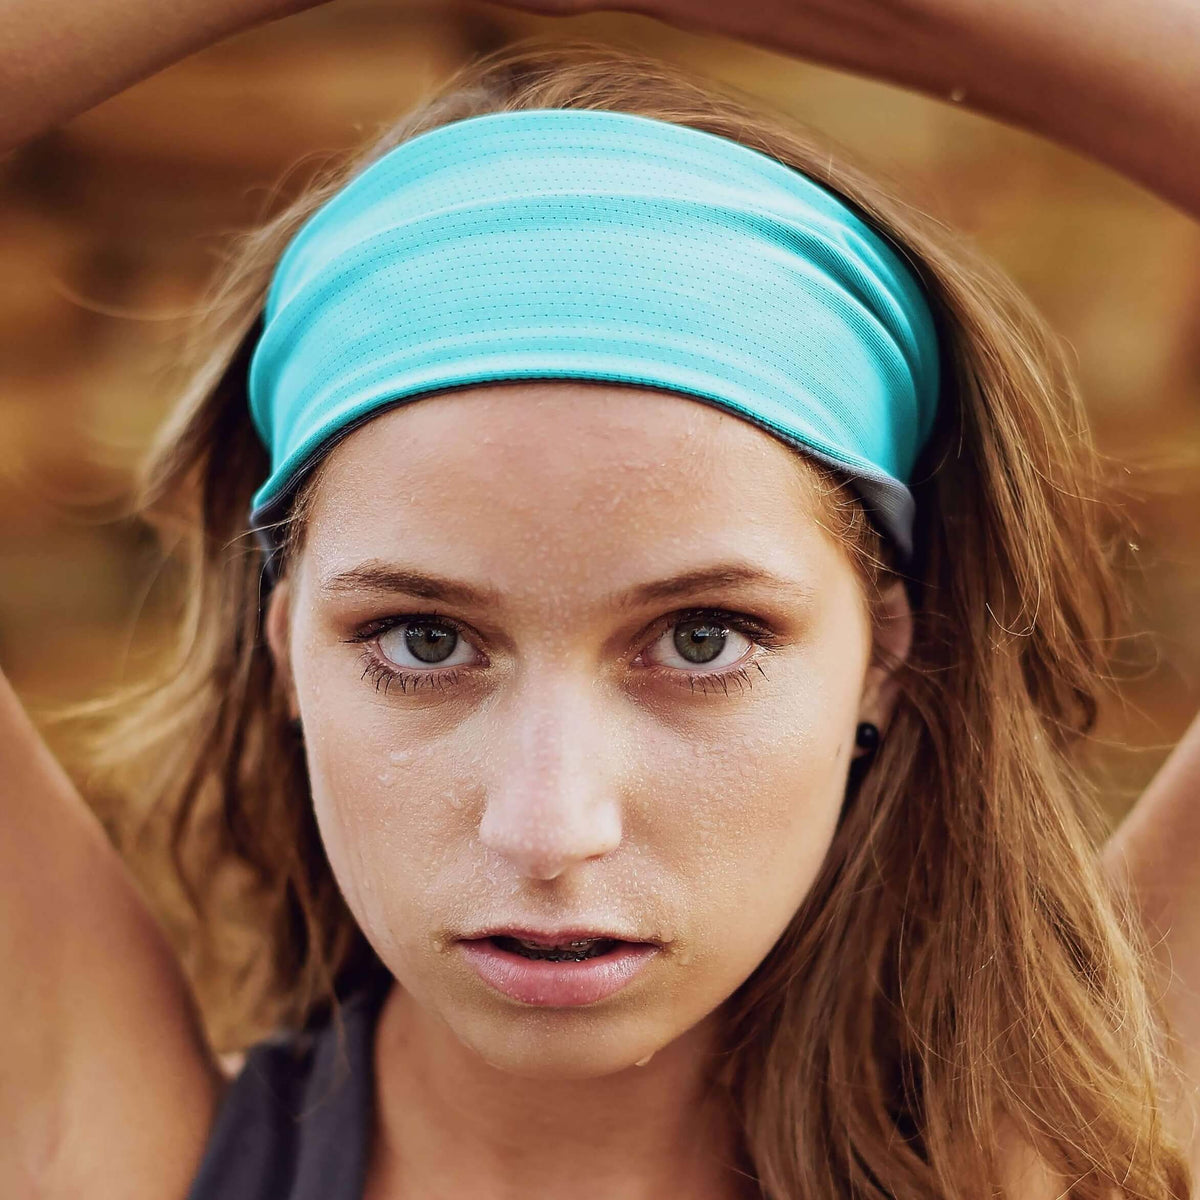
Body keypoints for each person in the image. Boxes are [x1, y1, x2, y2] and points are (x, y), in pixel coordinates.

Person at [2, 2, 1198, 1199]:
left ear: (883, 654)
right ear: (285, 653)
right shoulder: (114, 1163)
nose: (549, 830)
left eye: (701, 639)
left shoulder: (1061, 1157)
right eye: (424, 640)